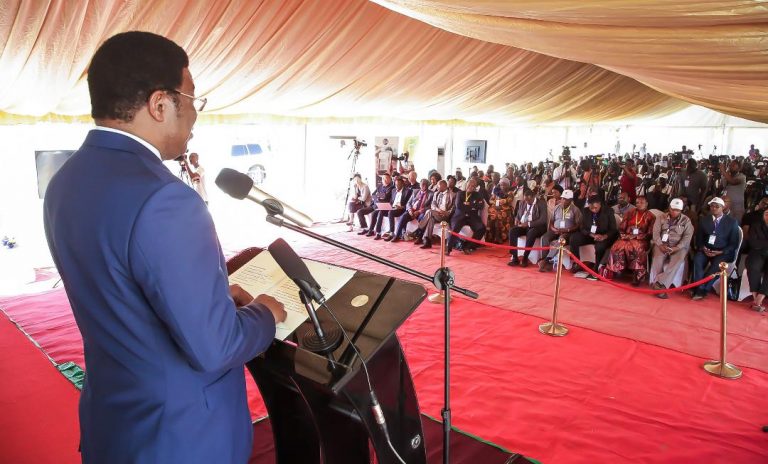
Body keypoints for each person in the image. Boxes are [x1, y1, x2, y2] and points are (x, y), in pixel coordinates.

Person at [42, 32, 287, 464]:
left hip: (114, 423)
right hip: (179, 437)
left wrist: (212, 299)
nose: (194, 114)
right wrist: (264, 313)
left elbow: (121, 291)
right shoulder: (166, 198)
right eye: (191, 98)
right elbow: (216, 347)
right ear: (160, 104)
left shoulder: (66, 180)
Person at [691, 197, 741, 300]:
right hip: (706, 249)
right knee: (697, 260)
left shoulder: (732, 222)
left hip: (723, 252)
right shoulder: (704, 220)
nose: (714, 208)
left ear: (722, 208)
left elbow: (734, 244)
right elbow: (699, 239)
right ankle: (699, 288)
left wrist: (720, 252)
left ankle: (702, 290)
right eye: (712, 206)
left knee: (715, 266)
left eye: (717, 206)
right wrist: (703, 248)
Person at [604, 196, 656, 285]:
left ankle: (637, 276)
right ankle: (614, 270)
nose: (639, 204)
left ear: (647, 204)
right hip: (627, 237)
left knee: (635, 247)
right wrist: (624, 235)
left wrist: (636, 237)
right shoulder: (630, 212)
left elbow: (650, 233)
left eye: (642, 202)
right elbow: (622, 227)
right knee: (616, 246)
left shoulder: (651, 216)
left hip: (641, 239)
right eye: (637, 203)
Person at [570, 196, 618, 279]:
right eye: (591, 208)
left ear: (600, 204)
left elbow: (613, 229)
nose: (593, 210)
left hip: (604, 236)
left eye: (595, 208)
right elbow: (582, 228)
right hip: (591, 235)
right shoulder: (585, 211)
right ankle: (577, 263)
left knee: (599, 246)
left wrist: (604, 236)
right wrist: (592, 235)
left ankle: (596, 268)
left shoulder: (608, 211)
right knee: (574, 238)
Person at [539, 189, 582, 272]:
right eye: (562, 198)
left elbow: (578, 225)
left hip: (568, 232)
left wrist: (568, 229)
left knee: (561, 240)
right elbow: (551, 222)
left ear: (570, 200)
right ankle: (545, 260)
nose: (563, 200)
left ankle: (546, 260)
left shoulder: (575, 210)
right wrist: (554, 229)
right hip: (555, 230)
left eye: (565, 199)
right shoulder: (556, 208)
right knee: (544, 238)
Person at [507, 189, 548, 267]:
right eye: (525, 200)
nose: (527, 202)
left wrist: (528, 224)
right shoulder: (522, 202)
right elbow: (518, 215)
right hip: (523, 225)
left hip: (537, 227)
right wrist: (517, 219)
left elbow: (543, 220)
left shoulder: (541, 203)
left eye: (529, 200)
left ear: (533, 197)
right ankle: (515, 257)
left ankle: (525, 257)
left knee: (532, 232)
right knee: (512, 231)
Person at [446, 177, 486, 255]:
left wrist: (467, 204)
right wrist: (473, 206)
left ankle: (467, 246)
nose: (470, 186)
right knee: (455, 228)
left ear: (475, 187)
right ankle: (448, 248)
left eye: (473, 186)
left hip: (472, 217)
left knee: (481, 228)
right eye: (469, 184)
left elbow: (481, 206)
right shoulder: (460, 193)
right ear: (466, 184)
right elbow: (459, 206)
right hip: (459, 216)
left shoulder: (478, 195)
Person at [414, 179, 455, 249]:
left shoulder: (452, 195)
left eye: (438, 186)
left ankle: (419, 229)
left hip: (445, 215)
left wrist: (446, 213)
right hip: (436, 213)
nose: (437, 187)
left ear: (445, 186)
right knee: (431, 219)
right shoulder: (436, 193)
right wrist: (438, 210)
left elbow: (453, 208)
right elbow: (433, 205)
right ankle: (428, 242)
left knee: (429, 211)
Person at [745, 208, 768, 311]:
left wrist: (762, 242)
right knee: (753, 266)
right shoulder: (756, 225)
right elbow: (753, 243)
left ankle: (761, 296)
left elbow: (759, 242)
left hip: (762, 249)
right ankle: (755, 295)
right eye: (766, 214)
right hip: (757, 252)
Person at [380, 176, 411, 240]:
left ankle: (391, 233)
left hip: (400, 209)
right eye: (396, 184)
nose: (396, 186)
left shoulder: (408, 191)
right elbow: (391, 201)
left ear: (402, 184)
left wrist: (402, 207)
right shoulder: (393, 190)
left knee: (390, 212)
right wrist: (388, 206)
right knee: (381, 211)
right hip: (393, 207)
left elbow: (409, 203)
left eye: (398, 184)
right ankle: (378, 232)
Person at [486, 179, 513, 244]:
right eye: (501, 185)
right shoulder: (497, 192)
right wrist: (496, 202)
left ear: (508, 185)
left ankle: (499, 237)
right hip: (496, 208)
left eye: (504, 185)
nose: (502, 186)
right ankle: (490, 237)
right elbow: (490, 200)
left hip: (505, 210)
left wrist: (497, 202)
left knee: (498, 216)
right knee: (490, 215)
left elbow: (507, 201)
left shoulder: (510, 193)